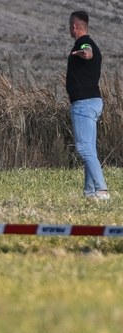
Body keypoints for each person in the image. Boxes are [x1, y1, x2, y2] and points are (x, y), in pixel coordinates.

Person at [67, 11, 109, 200]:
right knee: (90, 149)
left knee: (84, 149)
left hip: (84, 103)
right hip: (93, 101)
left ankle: (102, 190)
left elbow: (87, 51)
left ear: (74, 26)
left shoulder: (84, 43)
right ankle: (90, 193)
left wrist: (85, 53)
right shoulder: (90, 43)